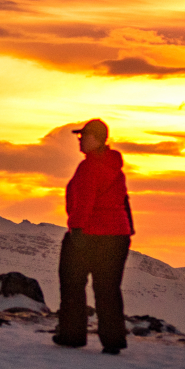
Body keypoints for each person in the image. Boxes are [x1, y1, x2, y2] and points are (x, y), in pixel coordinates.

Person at [52, 117, 134, 355]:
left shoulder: (89, 167)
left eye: (84, 136)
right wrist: (128, 229)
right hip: (117, 235)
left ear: (97, 139)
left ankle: (72, 335)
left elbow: (84, 202)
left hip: (89, 234)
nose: (80, 140)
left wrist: (76, 230)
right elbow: (123, 200)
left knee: (73, 283)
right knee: (108, 288)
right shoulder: (114, 167)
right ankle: (113, 340)